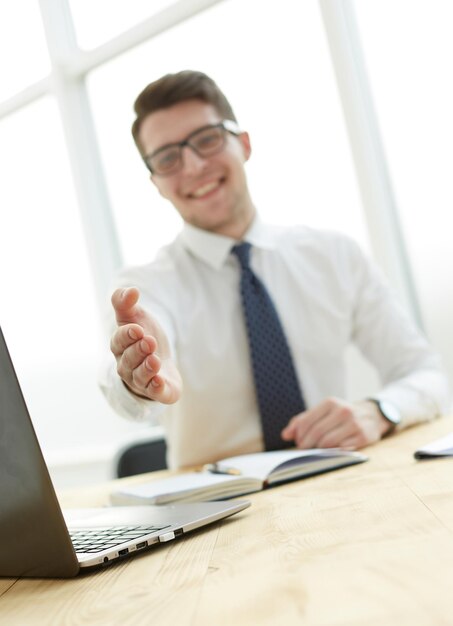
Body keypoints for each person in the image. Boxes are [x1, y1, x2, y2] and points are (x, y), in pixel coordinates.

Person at [100, 70, 449, 469]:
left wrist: (381, 410)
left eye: (207, 139)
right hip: (219, 510)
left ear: (244, 144)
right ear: (156, 183)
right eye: (167, 158)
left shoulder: (335, 255)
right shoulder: (146, 287)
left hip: (336, 480)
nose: (193, 166)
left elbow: (426, 374)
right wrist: (138, 378)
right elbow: (124, 397)